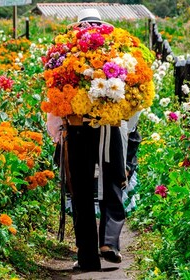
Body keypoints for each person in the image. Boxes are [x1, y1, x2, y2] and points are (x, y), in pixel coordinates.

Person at [46, 9, 129, 272]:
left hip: (77, 129)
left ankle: (87, 256)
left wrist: (58, 132)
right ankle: (109, 243)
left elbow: (54, 99)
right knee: (113, 181)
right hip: (109, 128)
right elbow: (131, 100)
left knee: (80, 190)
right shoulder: (116, 52)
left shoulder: (64, 55)